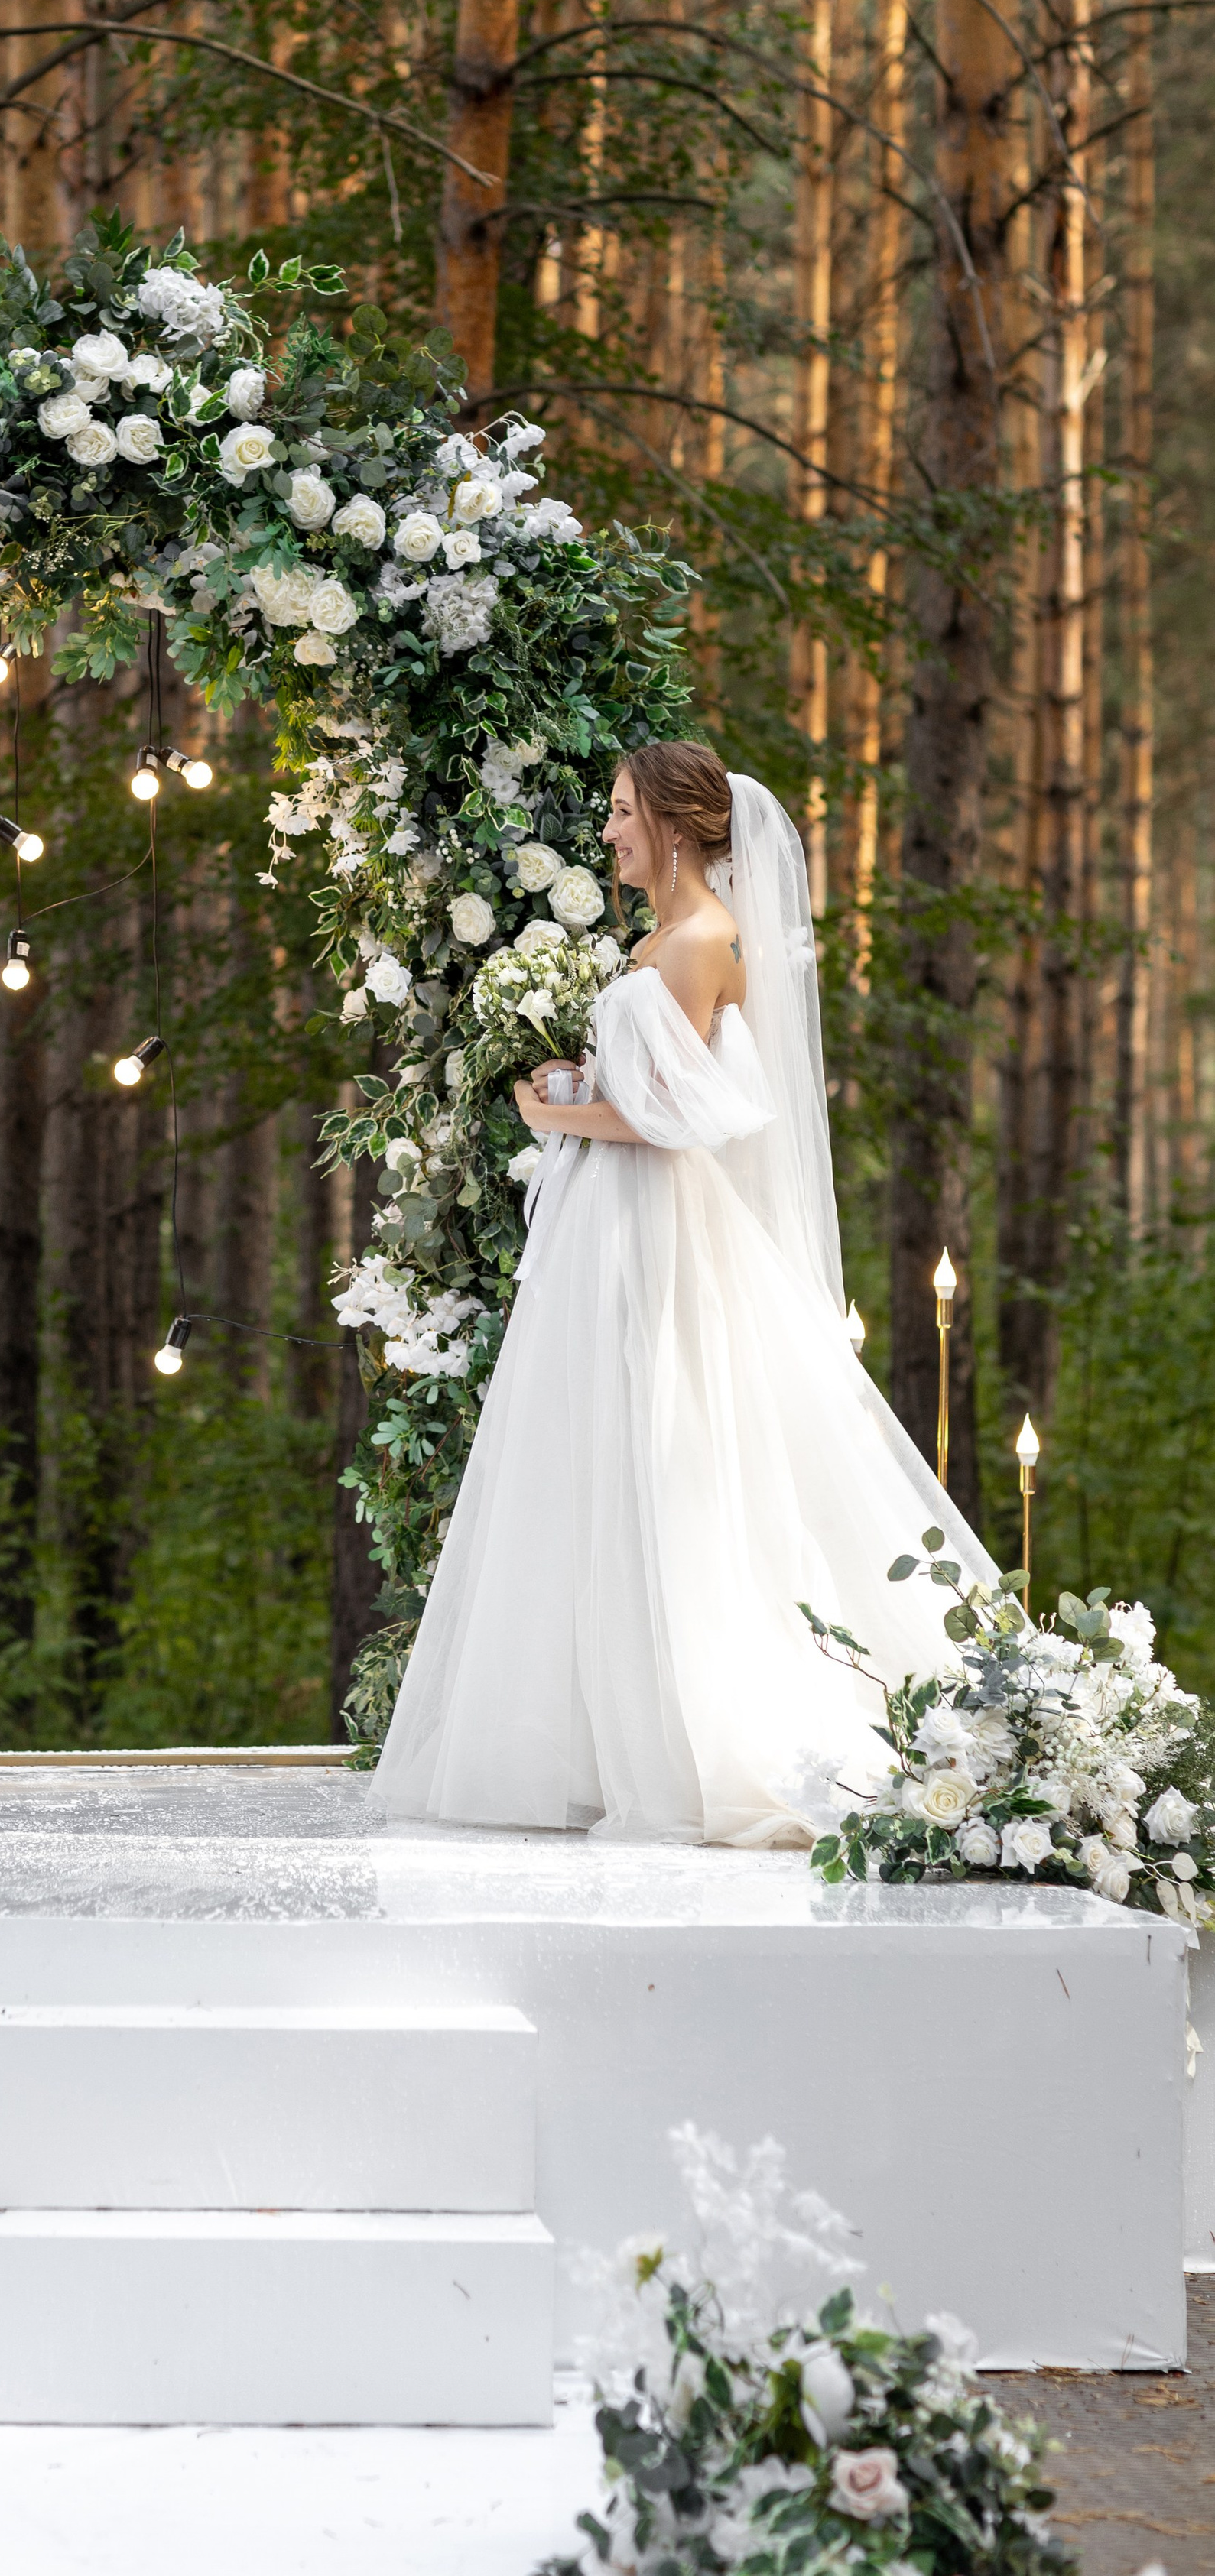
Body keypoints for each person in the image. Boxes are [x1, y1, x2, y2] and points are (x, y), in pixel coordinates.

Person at [373, 741, 993, 1848]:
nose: (607, 831)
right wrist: (577, 1094)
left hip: (649, 1222)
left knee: (663, 1447)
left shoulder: (701, 941)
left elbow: (688, 1114)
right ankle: (602, 1737)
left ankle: (689, 1738)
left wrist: (553, 1111)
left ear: (671, 822)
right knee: (595, 1455)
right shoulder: (658, 937)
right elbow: (652, 1090)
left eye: (619, 813)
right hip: (607, 1217)